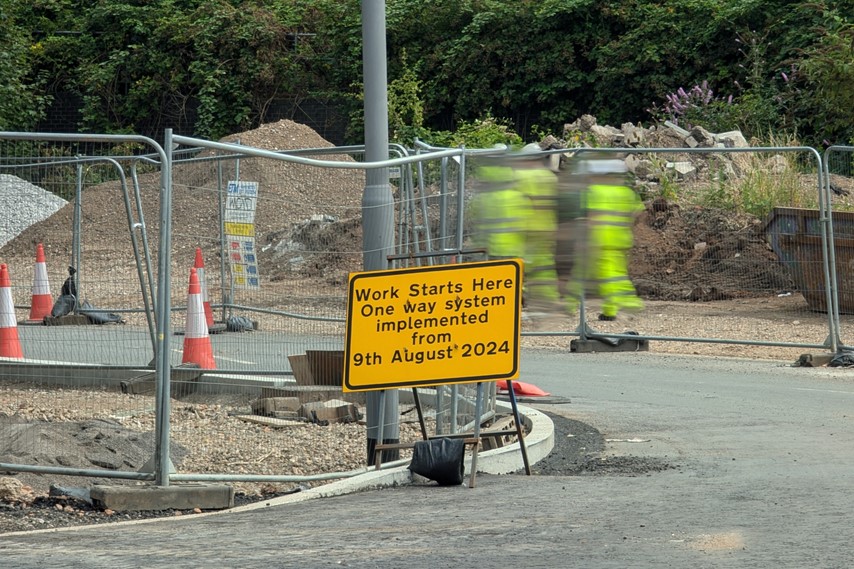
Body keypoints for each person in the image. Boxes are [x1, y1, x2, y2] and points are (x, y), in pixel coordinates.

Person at [582, 156, 645, 320]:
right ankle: (609, 312)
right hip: (622, 239)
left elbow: (592, 217)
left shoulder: (595, 191)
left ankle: (629, 302)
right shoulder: (627, 192)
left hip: (602, 240)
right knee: (617, 274)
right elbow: (638, 213)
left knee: (607, 277)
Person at [513, 144, 562, 313]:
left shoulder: (520, 176)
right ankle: (550, 298)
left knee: (521, 264)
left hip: (526, 227)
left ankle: (520, 297)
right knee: (545, 264)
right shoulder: (550, 177)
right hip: (547, 226)